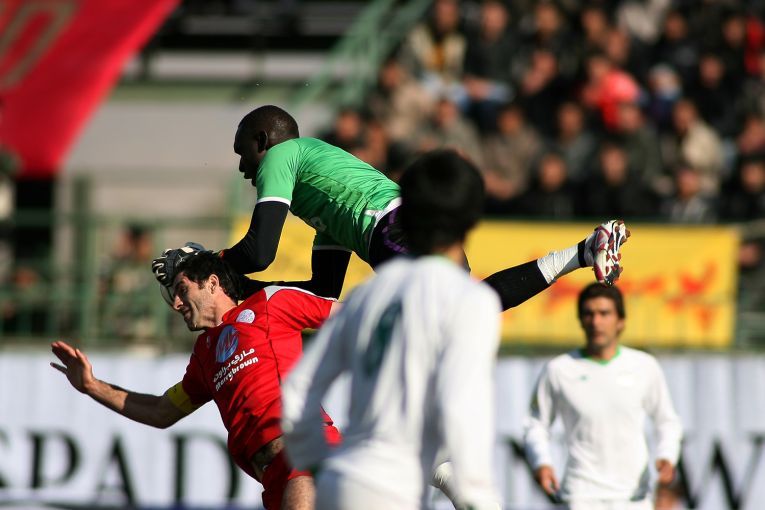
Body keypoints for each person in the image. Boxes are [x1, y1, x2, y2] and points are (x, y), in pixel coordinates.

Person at [152, 105, 629, 310]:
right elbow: (321, 295)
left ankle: (436, 463)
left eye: (243, 153)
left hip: (393, 225)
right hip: (402, 221)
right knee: (472, 309)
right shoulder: (324, 202)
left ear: (262, 141)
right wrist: (239, 289)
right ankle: (584, 251)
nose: (243, 168)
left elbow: (259, 252)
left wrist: (206, 263)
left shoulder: (282, 155)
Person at [280, 150, 502, 510]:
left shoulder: (366, 294)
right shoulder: (470, 300)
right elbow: (461, 407)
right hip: (393, 488)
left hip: (341, 481)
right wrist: (478, 496)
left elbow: (297, 387)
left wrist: (318, 465)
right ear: (472, 221)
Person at [51, 252, 341, 510]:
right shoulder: (204, 355)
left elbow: (351, 314)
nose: (176, 304)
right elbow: (161, 412)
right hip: (274, 479)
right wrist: (92, 386)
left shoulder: (270, 303)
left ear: (212, 283)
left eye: (182, 289)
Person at [523, 283, 683, 510]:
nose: (596, 322)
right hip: (581, 496)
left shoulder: (644, 366)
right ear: (580, 320)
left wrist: (667, 455)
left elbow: (667, 421)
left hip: (633, 497)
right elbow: (535, 424)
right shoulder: (559, 369)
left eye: (604, 313)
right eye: (589, 314)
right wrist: (541, 462)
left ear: (621, 321)